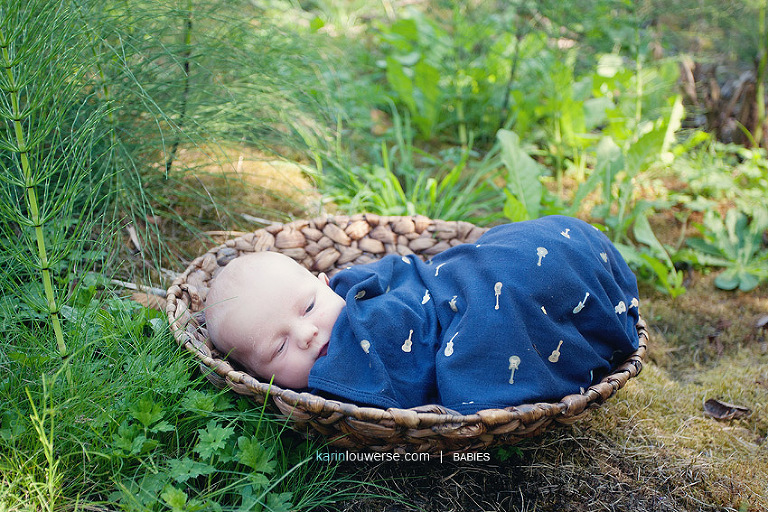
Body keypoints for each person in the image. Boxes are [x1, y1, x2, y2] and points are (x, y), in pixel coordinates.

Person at [204, 215, 640, 415]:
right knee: (510, 308)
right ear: (259, 377)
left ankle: (580, 269)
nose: (307, 334)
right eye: (278, 346)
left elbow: (415, 274)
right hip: (492, 300)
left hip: (480, 271)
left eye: (309, 307)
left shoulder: (359, 288)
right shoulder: (335, 375)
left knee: (506, 267)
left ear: (324, 282)